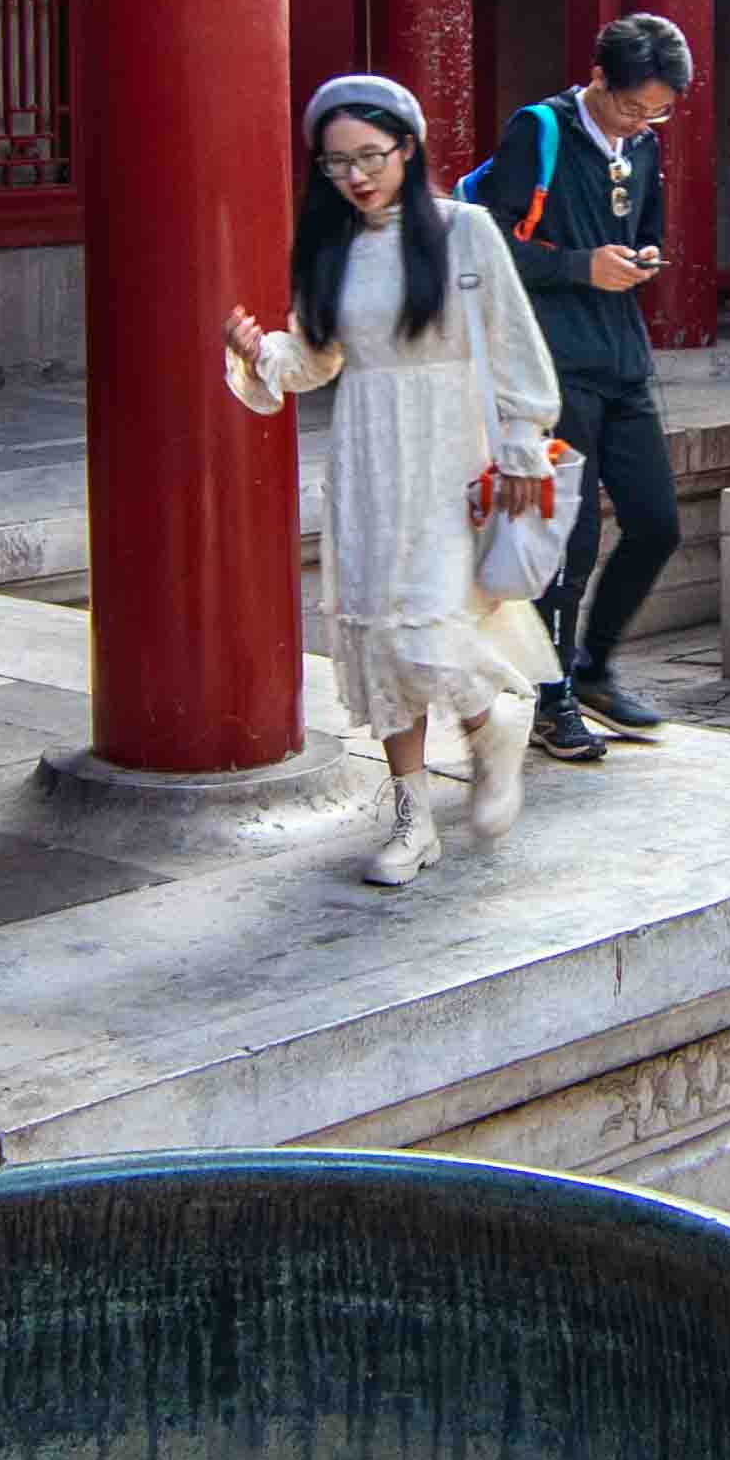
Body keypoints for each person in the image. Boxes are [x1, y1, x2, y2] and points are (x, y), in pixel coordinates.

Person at [223, 71, 563, 887]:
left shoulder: (464, 231)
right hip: (366, 456)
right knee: (376, 636)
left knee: (424, 626)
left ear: (407, 148)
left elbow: (512, 341)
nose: (357, 175)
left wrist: (523, 445)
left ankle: (494, 722)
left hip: (450, 451)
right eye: (337, 163)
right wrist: (259, 352)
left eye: (371, 155)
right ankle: (414, 819)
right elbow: (316, 361)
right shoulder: (331, 246)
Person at [473, 12, 691, 765]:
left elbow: (646, 227)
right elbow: (485, 241)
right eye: (632, 105)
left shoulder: (645, 145)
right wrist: (578, 267)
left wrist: (644, 256)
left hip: (622, 358)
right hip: (550, 362)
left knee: (658, 524)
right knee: (572, 536)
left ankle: (593, 666)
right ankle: (550, 696)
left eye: (658, 110)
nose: (643, 121)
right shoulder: (539, 131)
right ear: (598, 78)